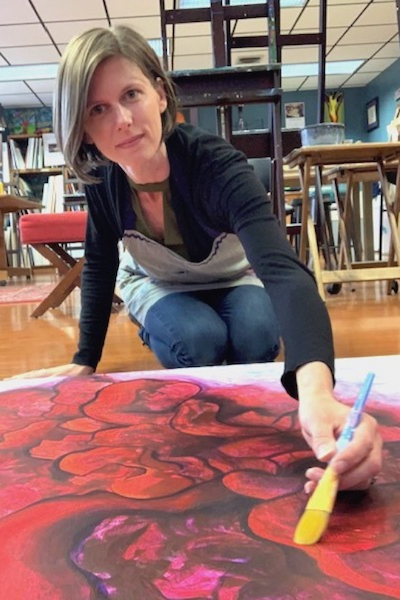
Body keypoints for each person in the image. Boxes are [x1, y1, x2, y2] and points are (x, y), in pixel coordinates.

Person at [14, 25, 381, 493]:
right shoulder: (102, 182)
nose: (122, 120)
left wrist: (316, 392)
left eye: (131, 94)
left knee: (254, 334)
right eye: (98, 109)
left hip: (233, 277)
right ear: (83, 127)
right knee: (199, 340)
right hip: (159, 284)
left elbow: (283, 272)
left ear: (160, 95)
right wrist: (85, 358)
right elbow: (101, 263)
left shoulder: (215, 165)